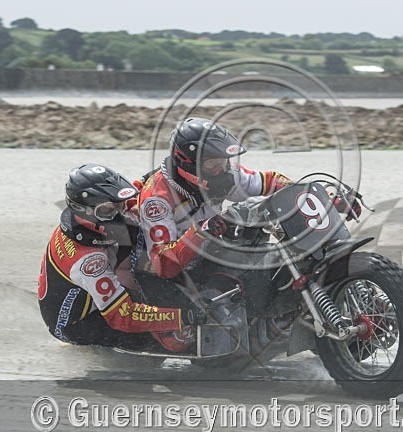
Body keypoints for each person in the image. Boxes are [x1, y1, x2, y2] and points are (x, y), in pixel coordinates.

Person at [134, 117, 361, 352]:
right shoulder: (156, 200)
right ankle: (248, 335)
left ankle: (294, 314)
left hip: (209, 246)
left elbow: (271, 182)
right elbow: (163, 264)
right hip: (172, 272)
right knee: (188, 333)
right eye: (213, 163)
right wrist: (201, 230)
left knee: (266, 250)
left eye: (224, 161)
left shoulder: (220, 176)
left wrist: (325, 199)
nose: (221, 169)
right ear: (189, 163)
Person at [37, 163, 205, 351]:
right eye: (108, 211)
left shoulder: (90, 223)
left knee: (134, 229)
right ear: (84, 211)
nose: (121, 212)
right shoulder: (89, 261)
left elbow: (139, 190)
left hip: (96, 289)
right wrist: (181, 317)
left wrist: (169, 169)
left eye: (120, 204)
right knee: (160, 344)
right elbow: (123, 316)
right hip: (77, 323)